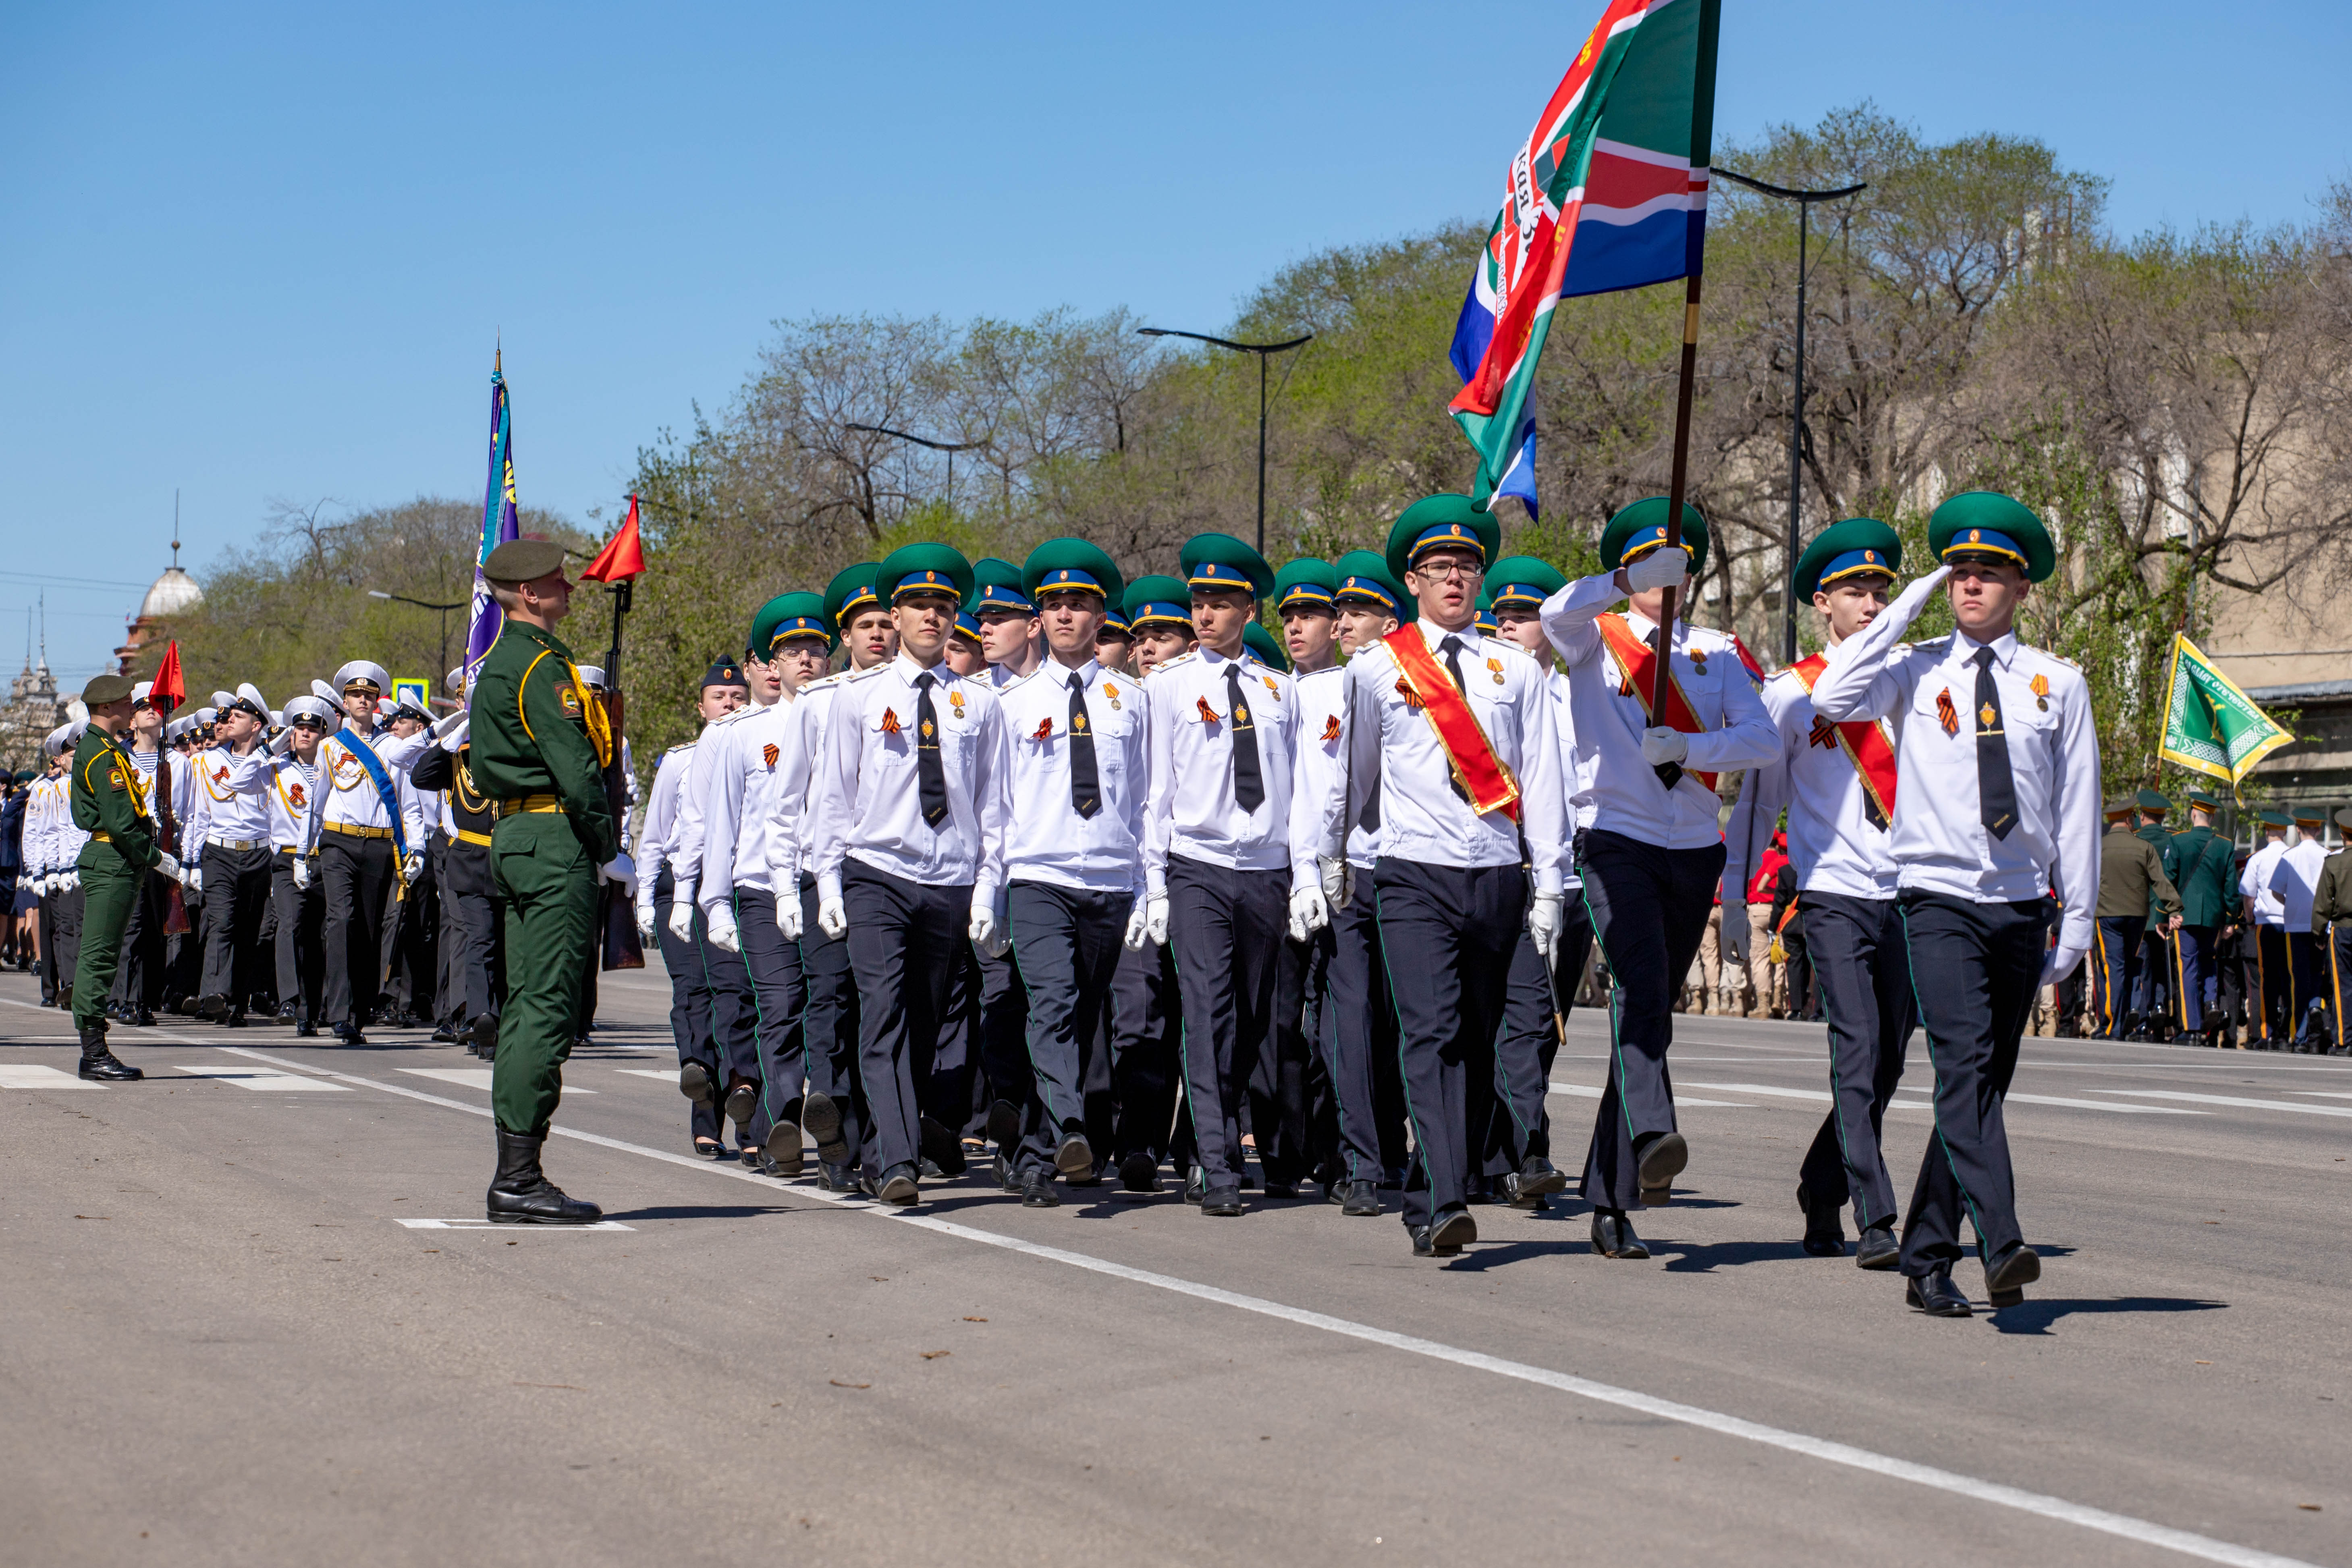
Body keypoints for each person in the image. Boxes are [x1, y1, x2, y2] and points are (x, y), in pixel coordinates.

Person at [1811, 490, 2100, 1317]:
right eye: (1958, 571)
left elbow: (2077, 806)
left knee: (1979, 1087)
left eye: (1988, 573)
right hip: (1934, 899)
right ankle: (2001, 1241)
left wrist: (2077, 919)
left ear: (2021, 586)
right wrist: (1906, 602)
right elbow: (1832, 696)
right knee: (1963, 1068)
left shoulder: (2056, 682)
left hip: (2020, 904)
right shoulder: (1912, 666)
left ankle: (1928, 1255)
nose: (1970, 585)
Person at [1327, 499, 1567, 1256]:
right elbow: (1353, 774)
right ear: (1413, 580)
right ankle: (1441, 1199)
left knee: (1475, 1038)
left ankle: (1431, 1180)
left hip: (1495, 875)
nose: (1454, 578)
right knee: (1429, 1031)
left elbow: (1544, 781)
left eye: (1466, 566)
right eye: (1439, 568)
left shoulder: (1515, 669)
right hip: (1412, 873)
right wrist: (1329, 857)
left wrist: (1550, 883)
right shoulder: (1375, 667)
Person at [1539, 498, 1777, 1259]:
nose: (1661, 578)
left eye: (1672, 565)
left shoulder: (1714, 651)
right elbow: (1553, 613)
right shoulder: (1594, 637)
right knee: (1639, 991)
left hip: (1693, 848)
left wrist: (1691, 748)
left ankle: (1610, 1199)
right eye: (1646, 565)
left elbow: (1762, 740)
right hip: (1617, 839)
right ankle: (1653, 1131)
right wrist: (1620, 581)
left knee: (1647, 1016)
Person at [1718, 519, 1914, 1267]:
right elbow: (1756, 804)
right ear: (1823, 604)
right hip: (1832, 893)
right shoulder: (1791, 693)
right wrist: (1733, 896)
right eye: (1855, 591)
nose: (1871, 603)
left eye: (1879, 590)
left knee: (1889, 1061)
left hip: (1905, 893)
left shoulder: (1910, 680)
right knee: (1856, 1045)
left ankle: (1820, 1183)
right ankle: (1875, 1213)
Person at [808, 544, 1008, 1204]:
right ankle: (899, 1160)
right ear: (895, 617)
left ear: (955, 619)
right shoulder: (857, 696)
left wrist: (988, 890)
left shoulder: (980, 705)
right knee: (884, 1010)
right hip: (878, 873)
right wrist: (828, 883)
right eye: (919, 606)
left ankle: (878, 1147)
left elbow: (994, 806)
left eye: (943, 607)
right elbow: (833, 796)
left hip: (949, 881)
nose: (932, 617)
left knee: (923, 1025)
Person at [1138, 534, 1319, 1216]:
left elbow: (1299, 792)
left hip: (1266, 870)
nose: (1206, 614)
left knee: (1249, 1017)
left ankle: (1202, 1137)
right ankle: (1217, 1164)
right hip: (1198, 865)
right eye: (1198, 603)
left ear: (1249, 609)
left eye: (1219, 603)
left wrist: (1304, 876)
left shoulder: (1280, 690)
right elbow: (1154, 792)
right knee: (1207, 1008)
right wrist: (1155, 883)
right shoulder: (1168, 686)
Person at [467, 537, 634, 1223]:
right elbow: (574, 764)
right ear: (529, 594)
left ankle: (517, 1172)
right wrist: (607, 845)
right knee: (548, 1007)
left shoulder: (500, 662)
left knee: (526, 1004)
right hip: (553, 837)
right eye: (557, 581)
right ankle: (518, 1178)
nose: (569, 587)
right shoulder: (540, 665)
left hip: (517, 834)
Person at [980, 539, 1142, 1205]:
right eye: (1053, 606)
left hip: (1109, 879)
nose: (1066, 615)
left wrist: (1149, 888)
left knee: (1081, 1015)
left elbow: (1147, 800)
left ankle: (1034, 1153)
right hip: (1038, 875)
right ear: (1039, 619)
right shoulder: (1011, 704)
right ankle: (1071, 1128)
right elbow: (995, 807)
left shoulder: (1133, 701)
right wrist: (989, 893)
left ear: (1100, 616)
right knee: (1051, 1004)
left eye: (1078, 604)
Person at [698, 594, 840, 1173]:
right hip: (760, 889)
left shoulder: (847, 718)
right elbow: (720, 825)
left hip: (826, 885)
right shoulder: (742, 733)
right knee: (780, 1005)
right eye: (792, 651)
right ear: (772, 663)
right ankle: (782, 1120)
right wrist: (714, 903)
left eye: (815, 649)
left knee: (829, 1006)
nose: (805, 659)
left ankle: (833, 1128)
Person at [766, 566, 898, 1189]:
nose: (877, 634)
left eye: (885, 622)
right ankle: (838, 1140)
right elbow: (787, 802)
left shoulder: (927, 695)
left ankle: (887, 1140)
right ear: (845, 637)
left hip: (899, 875)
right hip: (830, 873)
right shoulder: (820, 701)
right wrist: (787, 884)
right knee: (834, 1001)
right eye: (864, 625)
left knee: (888, 1009)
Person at [1484, 554, 1592, 1211]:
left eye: (1523, 616)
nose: (1507, 626)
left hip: (1571, 878)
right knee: (1517, 1019)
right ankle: (1526, 1150)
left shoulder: (1583, 694)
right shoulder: (1481, 691)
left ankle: (1501, 1151)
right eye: (1500, 615)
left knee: (1546, 1026)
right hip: (1506, 869)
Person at [1106, 575, 1198, 1190]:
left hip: (1195, 873)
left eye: (1161, 636)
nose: (1146, 648)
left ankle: (1195, 1145)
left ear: (1190, 642)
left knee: (1200, 1015)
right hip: (1136, 881)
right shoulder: (1120, 703)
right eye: (1140, 637)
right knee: (1139, 1014)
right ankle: (1138, 1141)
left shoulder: (1200, 699)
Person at [636, 659, 747, 1153]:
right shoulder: (680, 761)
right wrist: (645, 898)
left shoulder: (757, 749)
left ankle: (746, 1118)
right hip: (682, 885)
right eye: (719, 698)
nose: (729, 704)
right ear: (701, 707)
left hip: (739, 884)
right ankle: (701, 1088)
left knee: (735, 998)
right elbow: (655, 836)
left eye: (737, 697)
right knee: (693, 990)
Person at [298, 661, 434, 1044]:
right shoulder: (330, 746)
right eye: (356, 694)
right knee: (341, 919)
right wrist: (302, 854)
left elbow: (409, 805)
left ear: (377, 702)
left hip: (378, 845)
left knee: (369, 929)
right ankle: (339, 1013)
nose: (362, 700)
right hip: (338, 842)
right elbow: (315, 804)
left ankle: (358, 1013)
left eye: (369, 695)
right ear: (344, 702)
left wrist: (416, 848)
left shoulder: (393, 747)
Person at [68, 673, 195, 1078]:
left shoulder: (104, 748)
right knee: (100, 956)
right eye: (126, 703)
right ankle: (93, 1053)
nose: (132, 707)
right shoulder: (103, 754)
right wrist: (155, 857)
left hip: (116, 859)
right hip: (113, 860)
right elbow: (121, 823)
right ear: (106, 708)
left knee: (105, 953)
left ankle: (94, 1049)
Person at [412, 666, 503, 1053]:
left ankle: (498, 1020)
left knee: (504, 946)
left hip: (509, 861)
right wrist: (450, 740)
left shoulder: (514, 753)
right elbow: (420, 775)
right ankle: (481, 1018)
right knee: (479, 940)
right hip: (469, 861)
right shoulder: (458, 756)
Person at [183, 683, 278, 1026]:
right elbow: (199, 813)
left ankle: (237, 1002)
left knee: (249, 929)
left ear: (256, 725)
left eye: (239, 716)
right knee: (222, 922)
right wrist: (192, 860)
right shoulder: (208, 761)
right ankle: (216, 994)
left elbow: (278, 814)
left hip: (258, 854)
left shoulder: (273, 764)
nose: (230, 721)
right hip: (219, 851)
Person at [267, 697, 331, 1034]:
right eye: (300, 728)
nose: (306, 734)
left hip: (324, 859)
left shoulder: (332, 767)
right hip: (287, 858)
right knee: (289, 923)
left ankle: (312, 1009)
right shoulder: (276, 766)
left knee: (318, 936)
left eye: (312, 729)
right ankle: (290, 1000)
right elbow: (238, 779)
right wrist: (274, 744)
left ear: (324, 734)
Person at [2095, 800, 2181, 1039]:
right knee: (2130, 965)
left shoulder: (2098, 847)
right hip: (2137, 916)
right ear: (2128, 819)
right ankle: (2124, 1018)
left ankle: (2113, 1026)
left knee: (2115, 967)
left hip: (2107, 914)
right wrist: (2175, 908)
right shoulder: (2144, 847)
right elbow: (2160, 881)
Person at [2169, 789, 2238, 1046]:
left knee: (2188, 966)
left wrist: (2168, 912)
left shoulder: (2179, 841)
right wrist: (2231, 919)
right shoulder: (2225, 845)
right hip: (2213, 914)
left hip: (2185, 913)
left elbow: (2168, 880)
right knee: (2209, 960)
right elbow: (2231, 887)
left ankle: (2192, 1027)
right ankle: (2211, 1001)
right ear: (2212, 818)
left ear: (2193, 814)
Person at [2271, 808, 2331, 1051]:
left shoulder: (2290, 856)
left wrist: (2292, 902)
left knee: (2298, 980)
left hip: (2296, 924)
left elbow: (2276, 891)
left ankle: (2300, 1034)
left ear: (2298, 829)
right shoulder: (2328, 855)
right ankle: (2315, 1008)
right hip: (2321, 925)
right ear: (2318, 830)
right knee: (2318, 974)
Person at [2240, 810, 2292, 1048]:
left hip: (2267, 924)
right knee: (2289, 977)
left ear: (2266, 831)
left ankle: (2268, 1032)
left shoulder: (2258, 859)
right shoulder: (2293, 855)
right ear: (2285, 832)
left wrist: (2250, 919)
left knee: (2267, 978)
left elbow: (2248, 895)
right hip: (2291, 925)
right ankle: (2289, 1031)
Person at [2313, 807, 2352, 1057]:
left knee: (2342, 987)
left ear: (2342, 834)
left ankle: (2344, 1041)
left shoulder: (2334, 863)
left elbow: (2323, 904)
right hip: (2342, 928)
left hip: (2343, 929)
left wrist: (2319, 934)